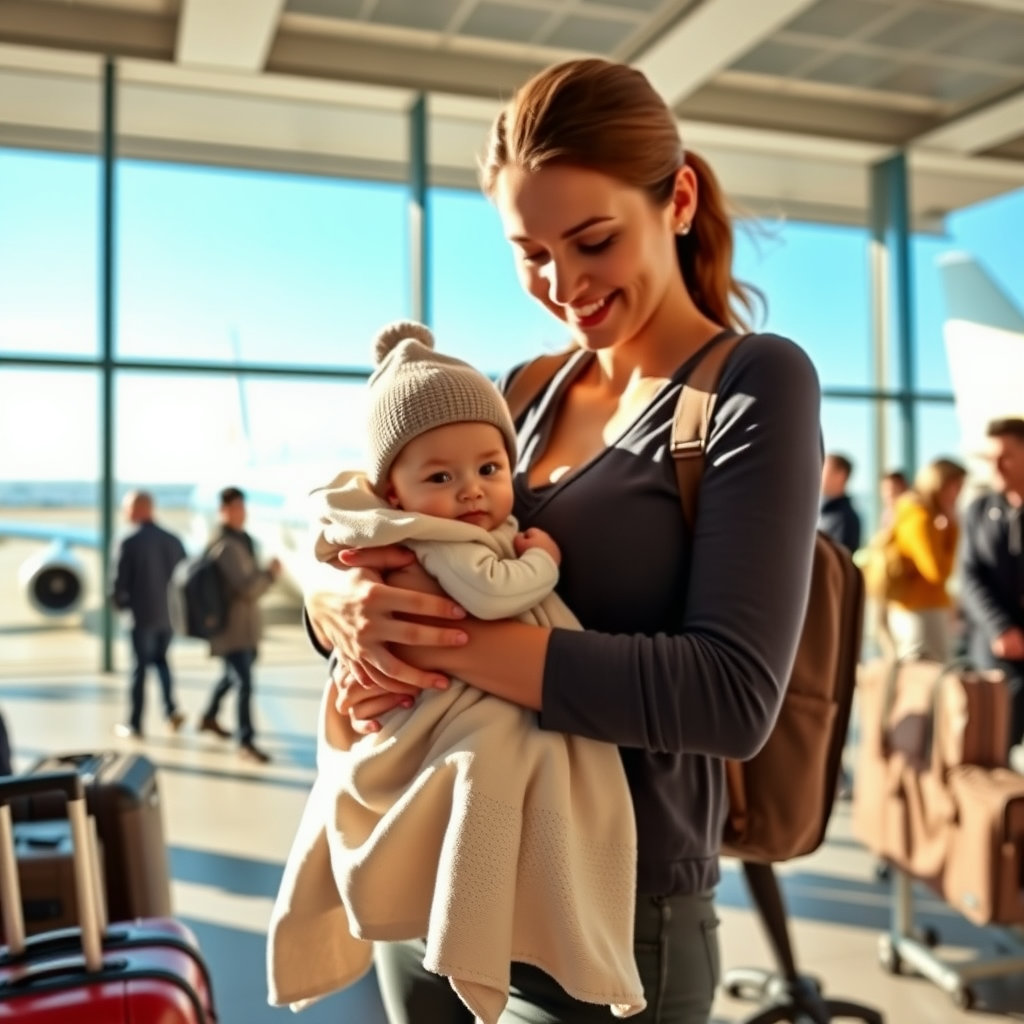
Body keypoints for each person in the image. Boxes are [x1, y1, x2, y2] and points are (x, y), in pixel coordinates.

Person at [305, 57, 822, 1024]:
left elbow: (731, 694)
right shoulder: (523, 392)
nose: (564, 283)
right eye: (530, 251)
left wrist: (431, 642)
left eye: (591, 241)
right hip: (433, 861)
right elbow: (414, 545)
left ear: (676, 200)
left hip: (608, 903)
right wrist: (331, 606)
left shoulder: (752, 384)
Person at [268, 321, 643, 1022]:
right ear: (394, 494)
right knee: (494, 763)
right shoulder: (450, 539)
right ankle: (479, 953)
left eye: (489, 470)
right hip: (458, 721)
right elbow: (494, 594)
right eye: (441, 477)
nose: (471, 492)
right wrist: (545, 560)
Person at [197, 486, 281, 764]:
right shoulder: (226, 545)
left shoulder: (241, 540)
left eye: (243, 508)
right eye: (236, 508)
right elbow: (247, 588)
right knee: (244, 683)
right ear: (223, 511)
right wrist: (270, 575)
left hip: (244, 626)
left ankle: (208, 716)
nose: (241, 514)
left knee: (232, 676)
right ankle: (246, 742)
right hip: (232, 629)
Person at [960, 417, 1024, 757]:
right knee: (996, 747)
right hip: (997, 652)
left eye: (1007, 456)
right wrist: (1001, 628)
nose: (996, 466)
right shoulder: (979, 511)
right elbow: (969, 576)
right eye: (991, 458)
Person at [110, 489, 187, 739]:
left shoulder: (129, 541)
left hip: (140, 617)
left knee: (139, 669)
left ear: (141, 508)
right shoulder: (173, 539)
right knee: (162, 662)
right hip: (168, 618)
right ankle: (171, 711)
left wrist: (120, 607)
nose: (125, 512)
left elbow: (117, 584)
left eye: (128, 507)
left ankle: (134, 723)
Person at [883, 457, 966, 662]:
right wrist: (953, 530)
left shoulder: (915, 512)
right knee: (926, 677)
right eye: (956, 486)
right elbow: (937, 572)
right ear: (941, 484)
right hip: (920, 610)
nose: (959, 493)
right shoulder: (919, 516)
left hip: (917, 607)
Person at [819, 452, 862, 553]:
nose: (818, 475)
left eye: (824, 470)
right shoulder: (821, 512)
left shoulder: (846, 518)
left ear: (840, 475)